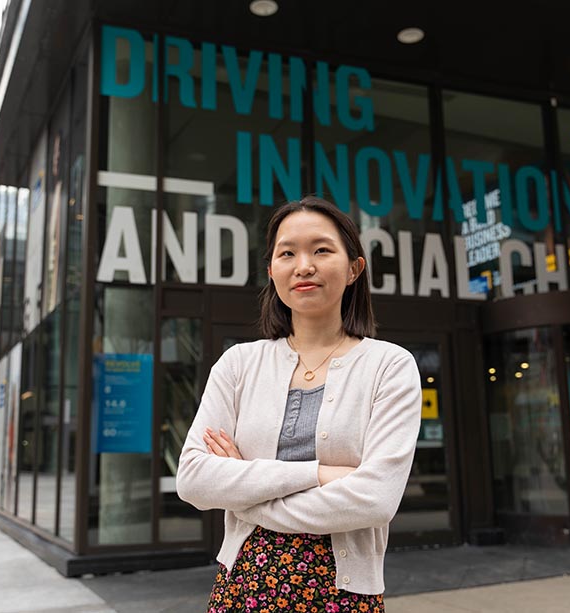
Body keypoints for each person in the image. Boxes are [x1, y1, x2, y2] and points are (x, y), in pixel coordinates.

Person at [177, 196, 422, 612]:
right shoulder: (239, 364)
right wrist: (322, 474)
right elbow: (194, 480)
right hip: (242, 588)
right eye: (287, 253)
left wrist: (243, 493)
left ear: (353, 269)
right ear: (272, 271)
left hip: (343, 595)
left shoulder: (389, 366)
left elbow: (376, 500)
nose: (303, 265)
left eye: (321, 250)